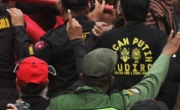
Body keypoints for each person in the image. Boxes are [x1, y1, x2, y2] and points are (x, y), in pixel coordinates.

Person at [87, 0, 180, 108]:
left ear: (122, 11)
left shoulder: (107, 37)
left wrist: (92, 37)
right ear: (147, 11)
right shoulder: (159, 37)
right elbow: (171, 73)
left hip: (115, 104)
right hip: (147, 105)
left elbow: (90, 69)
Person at [49, 29, 180, 110]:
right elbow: (150, 82)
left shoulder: (58, 103)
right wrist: (166, 54)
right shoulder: (121, 102)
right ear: (111, 80)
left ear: (82, 76)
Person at [16, 0, 95, 97]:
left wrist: (18, 27)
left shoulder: (54, 37)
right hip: (94, 97)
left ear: (61, 8)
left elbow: (25, 56)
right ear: (88, 7)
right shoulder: (101, 31)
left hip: (61, 100)